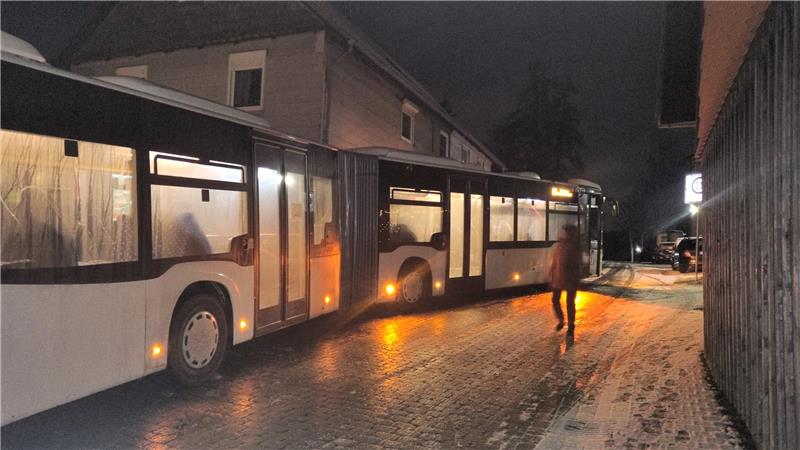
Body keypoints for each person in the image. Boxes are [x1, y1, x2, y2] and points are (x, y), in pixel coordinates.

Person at [549, 224, 581, 334]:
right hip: (564, 279)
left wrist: (553, 276)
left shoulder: (564, 246)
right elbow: (555, 262)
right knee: (566, 302)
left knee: (566, 302)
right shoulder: (566, 245)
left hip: (566, 279)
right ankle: (565, 322)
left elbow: (574, 264)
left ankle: (567, 323)